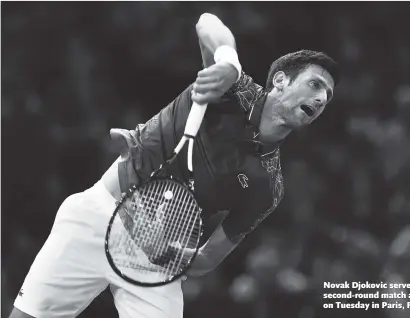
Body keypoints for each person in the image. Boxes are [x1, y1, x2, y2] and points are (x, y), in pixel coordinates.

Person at [10, 12, 339, 318]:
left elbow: (207, 258)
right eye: (315, 84)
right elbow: (206, 22)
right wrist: (229, 63)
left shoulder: (269, 185)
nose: (321, 98)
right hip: (98, 216)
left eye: (327, 95)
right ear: (280, 80)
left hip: (154, 267)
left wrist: (172, 250)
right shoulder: (232, 89)